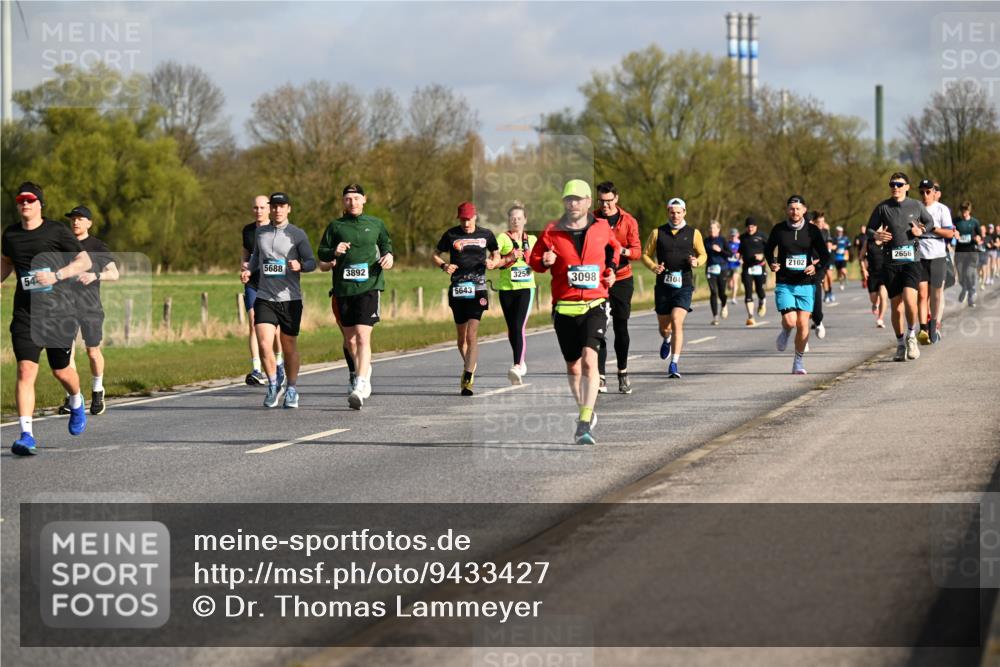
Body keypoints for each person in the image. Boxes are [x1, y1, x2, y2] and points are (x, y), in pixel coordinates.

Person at [1, 182, 93, 455]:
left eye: (30, 200)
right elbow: (6, 262)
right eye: (21, 200)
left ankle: (76, 400)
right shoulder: (11, 235)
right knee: (25, 370)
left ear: (40, 204)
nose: (25, 203)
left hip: (58, 313)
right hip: (26, 313)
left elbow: (84, 261)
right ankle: (26, 435)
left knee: (60, 371)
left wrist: (57, 275)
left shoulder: (56, 231)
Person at [527, 179, 620, 446]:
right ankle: (584, 409)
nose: (573, 204)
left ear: (588, 202)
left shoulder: (601, 227)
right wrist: (544, 261)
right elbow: (535, 261)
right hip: (564, 307)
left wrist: (612, 270)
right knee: (573, 365)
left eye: (578, 199)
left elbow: (614, 248)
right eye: (569, 199)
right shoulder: (552, 231)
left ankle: (584, 422)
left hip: (595, 303)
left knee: (590, 360)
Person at [317, 184, 394, 410]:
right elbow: (322, 252)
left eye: (356, 198)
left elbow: (387, 246)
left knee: (362, 336)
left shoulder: (376, 224)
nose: (352, 202)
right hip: (344, 289)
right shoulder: (336, 226)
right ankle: (364, 369)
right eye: (348, 199)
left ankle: (360, 384)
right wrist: (335, 251)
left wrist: (389, 257)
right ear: (343, 201)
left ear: (364, 200)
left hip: (369, 286)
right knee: (350, 340)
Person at [240, 192, 317, 408]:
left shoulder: (297, 234)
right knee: (264, 343)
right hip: (265, 296)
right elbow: (256, 258)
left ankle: (291, 388)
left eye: (282, 206)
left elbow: (311, 261)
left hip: (290, 299)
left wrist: (301, 266)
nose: (277, 210)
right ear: (270, 209)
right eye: (274, 206)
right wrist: (249, 271)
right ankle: (274, 385)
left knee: (289, 346)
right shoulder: (261, 233)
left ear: (288, 209)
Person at [56, 206, 119, 416]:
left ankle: (98, 390)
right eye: (73, 219)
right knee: (67, 353)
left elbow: (114, 274)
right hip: (65, 306)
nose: (75, 222)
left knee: (92, 351)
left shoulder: (97, 246)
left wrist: (95, 276)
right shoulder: (63, 245)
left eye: (80, 219)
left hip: (90, 307)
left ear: (89, 223)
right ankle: (73, 397)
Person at [433, 202, 500, 396]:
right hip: (458, 290)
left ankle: (468, 378)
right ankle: (469, 364)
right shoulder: (451, 234)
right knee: (461, 339)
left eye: (469, 219)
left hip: (478, 289)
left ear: (475, 217)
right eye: (463, 220)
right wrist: (444, 266)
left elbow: (496, 253)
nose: (466, 223)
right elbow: (435, 255)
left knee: (472, 335)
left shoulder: (486, 234)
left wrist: (493, 262)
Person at [867, 172, 933, 362]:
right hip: (890, 262)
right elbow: (869, 229)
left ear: (907, 187)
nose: (895, 187)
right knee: (896, 307)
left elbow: (929, 222)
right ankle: (900, 344)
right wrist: (876, 235)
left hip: (912, 260)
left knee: (910, 299)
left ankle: (911, 336)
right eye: (892, 184)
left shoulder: (916, 205)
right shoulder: (883, 207)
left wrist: (921, 230)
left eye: (899, 184)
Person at [640, 197, 707, 379]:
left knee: (677, 320)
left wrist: (697, 262)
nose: (675, 215)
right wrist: (653, 267)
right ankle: (666, 339)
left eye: (678, 212)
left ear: (684, 212)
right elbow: (645, 255)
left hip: (684, 284)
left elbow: (703, 254)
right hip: (663, 285)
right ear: (667, 212)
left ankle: (674, 363)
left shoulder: (693, 233)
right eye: (672, 212)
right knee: (665, 327)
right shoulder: (657, 232)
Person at [763, 195, 830, 375]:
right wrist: (772, 263)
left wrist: (815, 267)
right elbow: (768, 249)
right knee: (790, 321)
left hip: (805, 283)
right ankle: (786, 330)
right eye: (792, 209)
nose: (795, 212)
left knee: (802, 323)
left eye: (798, 209)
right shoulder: (779, 229)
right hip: (785, 282)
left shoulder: (812, 230)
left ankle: (798, 361)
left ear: (804, 210)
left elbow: (825, 255)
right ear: (787, 210)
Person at [593, 181, 641, 394]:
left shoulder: (628, 221)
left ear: (616, 198)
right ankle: (600, 376)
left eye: (608, 201)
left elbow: (637, 251)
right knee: (598, 327)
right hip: (599, 280)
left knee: (621, 328)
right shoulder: (592, 219)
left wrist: (621, 250)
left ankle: (622, 372)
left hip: (622, 278)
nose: (605, 205)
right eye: (601, 201)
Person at [241, 195, 283, 386]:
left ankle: (279, 362)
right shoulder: (248, 230)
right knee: (253, 323)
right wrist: (244, 266)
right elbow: (245, 252)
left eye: (262, 207)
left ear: (269, 209)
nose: (258, 211)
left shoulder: (276, 229)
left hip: (273, 284)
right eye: (255, 208)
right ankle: (256, 369)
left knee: (274, 329)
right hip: (253, 283)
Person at [494, 201, 537, 386]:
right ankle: (520, 360)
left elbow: (539, 262)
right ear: (508, 220)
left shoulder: (532, 240)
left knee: (519, 326)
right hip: (506, 289)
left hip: (526, 289)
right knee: (512, 328)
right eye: (513, 218)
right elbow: (494, 262)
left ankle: (518, 365)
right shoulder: (502, 238)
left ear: (525, 220)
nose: (516, 221)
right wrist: (509, 258)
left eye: (519, 218)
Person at [915, 179, 954, 345]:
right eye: (922, 192)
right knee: (922, 293)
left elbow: (950, 233)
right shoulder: (915, 208)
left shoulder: (941, 209)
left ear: (934, 192)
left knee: (936, 293)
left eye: (928, 192)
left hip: (938, 255)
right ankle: (923, 328)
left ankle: (934, 323)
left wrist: (932, 228)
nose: (925, 195)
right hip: (920, 256)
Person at [738, 217, 768, 326]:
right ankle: (750, 317)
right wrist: (739, 257)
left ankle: (762, 301)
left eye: (752, 226)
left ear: (756, 226)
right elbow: (739, 250)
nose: (750, 229)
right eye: (748, 227)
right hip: (747, 268)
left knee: (760, 290)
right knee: (748, 292)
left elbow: (769, 250)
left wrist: (762, 256)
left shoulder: (762, 236)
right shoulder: (742, 237)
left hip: (759, 267)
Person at [703, 220, 734, 326]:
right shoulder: (706, 241)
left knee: (721, 293)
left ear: (718, 229)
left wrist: (720, 250)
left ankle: (724, 305)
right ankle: (715, 317)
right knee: (713, 292)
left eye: (714, 228)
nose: (712, 230)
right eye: (710, 228)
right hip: (710, 269)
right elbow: (702, 254)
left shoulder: (722, 240)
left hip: (722, 269)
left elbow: (730, 254)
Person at [860, 224, 889, 328]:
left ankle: (880, 319)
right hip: (872, 273)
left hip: (884, 273)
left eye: (880, 227)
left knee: (883, 295)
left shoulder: (887, 241)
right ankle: (875, 303)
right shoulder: (869, 241)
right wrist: (864, 270)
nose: (879, 230)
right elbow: (861, 257)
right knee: (873, 298)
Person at [953, 201, 980, 307]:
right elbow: (951, 232)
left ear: (969, 211)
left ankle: (971, 294)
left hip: (971, 252)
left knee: (969, 274)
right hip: (959, 252)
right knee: (960, 276)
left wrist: (978, 238)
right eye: (962, 211)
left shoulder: (975, 222)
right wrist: (954, 235)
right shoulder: (956, 221)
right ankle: (965, 288)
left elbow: (979, 236)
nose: (964, 214)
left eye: (966, 211)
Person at [831, 224, 850, 291]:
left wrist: (847, 253)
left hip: (843, 257)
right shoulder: (834, 239)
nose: (839, 232)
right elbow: (831, 246)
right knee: (839, 273)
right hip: (837, 257)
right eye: (838, 231)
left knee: (843, 270)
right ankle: (841, 284)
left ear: (842, 232)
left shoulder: (845, 238)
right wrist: (834, 247)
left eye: (840, 231)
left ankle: (846, 276)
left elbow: (849, 246)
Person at [727, 228, 742, 300]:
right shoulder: (727, 243)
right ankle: (730, 287)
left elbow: (745, 252)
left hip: (737, 264)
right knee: (730, 284)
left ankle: (733, 298)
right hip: (728, 265)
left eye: (734, 235)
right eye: (732, 235)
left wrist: (741, 257)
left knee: (735, 280)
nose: (733, 237)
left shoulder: (740, 244)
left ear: (738, 235)